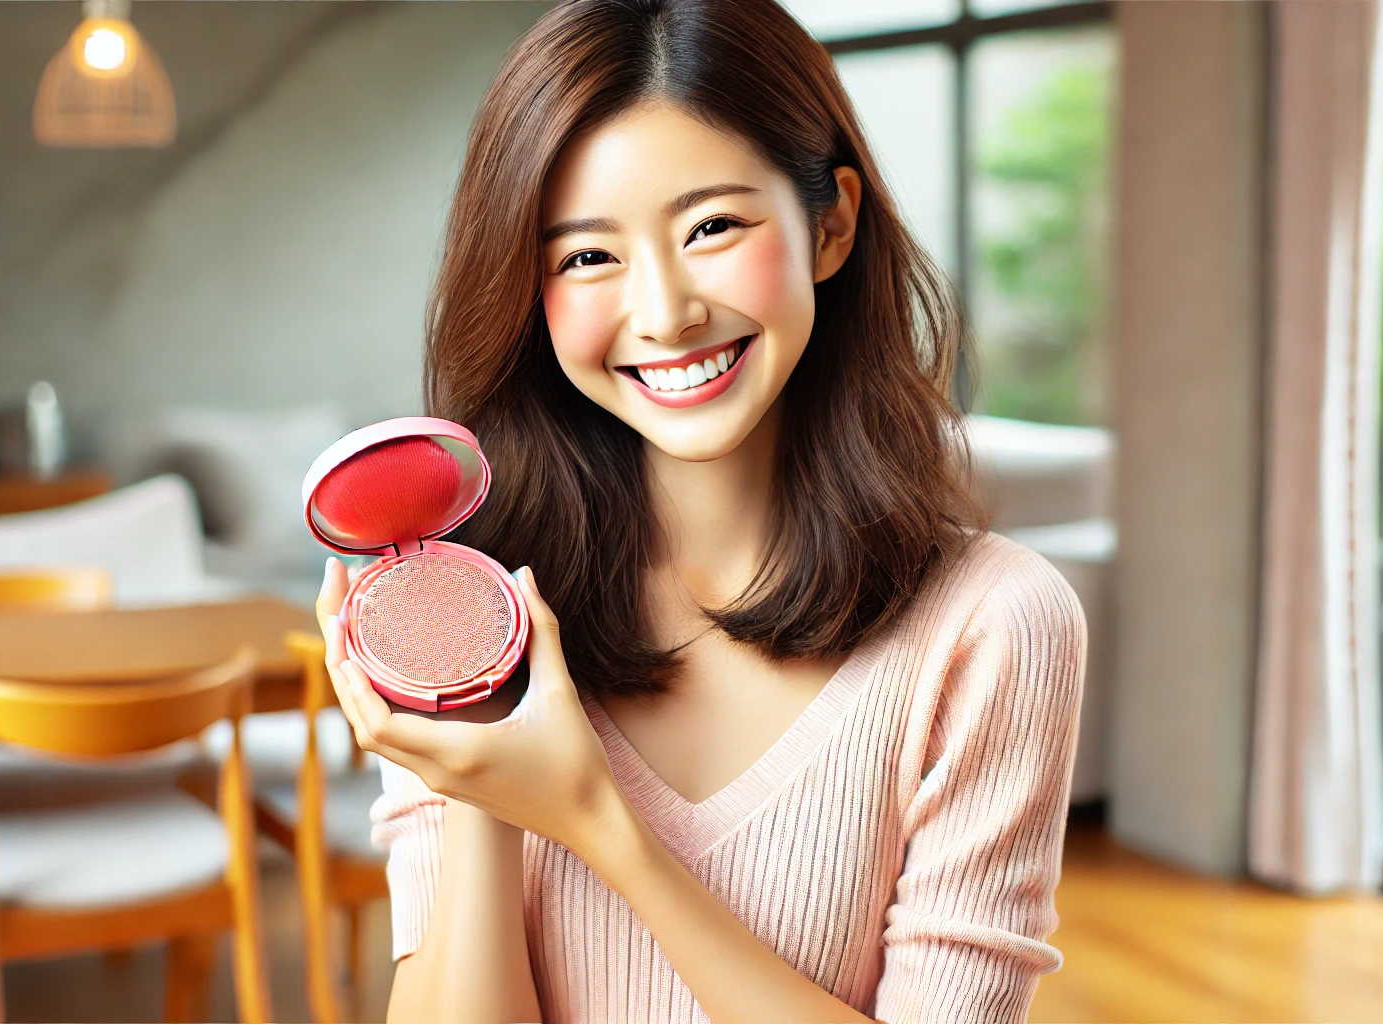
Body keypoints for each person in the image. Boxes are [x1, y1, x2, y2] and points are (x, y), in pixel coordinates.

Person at [315, 0, 1086, 1020]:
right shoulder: (477, 604)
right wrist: (482, 776)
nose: (665, 310)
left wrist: (594, 819)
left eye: (713, 226)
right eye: (587, 255)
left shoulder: (991, 627)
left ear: (831, 223)